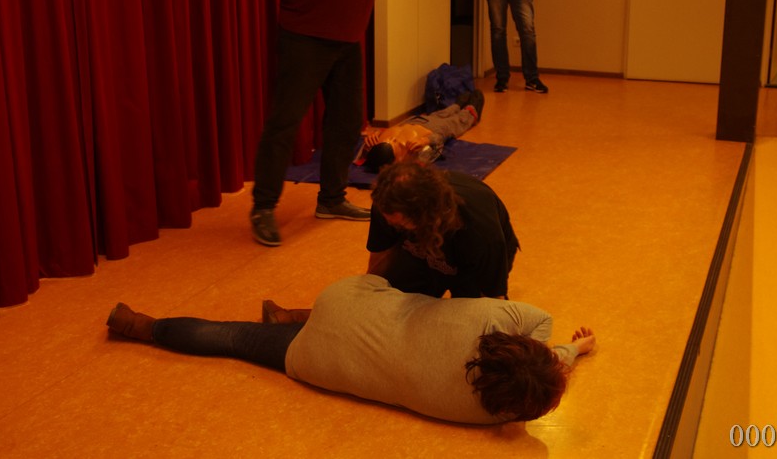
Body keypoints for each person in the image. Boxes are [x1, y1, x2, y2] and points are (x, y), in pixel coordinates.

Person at [105, 274, 597, 425]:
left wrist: (569, 349)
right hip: (320, 362)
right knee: (233, 338)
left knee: (393, 295)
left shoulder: (496, 317)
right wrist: (571, 355)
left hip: (344, 300)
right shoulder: (486, 417)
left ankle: (292, 314)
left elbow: (542, 326)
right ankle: (139, 327)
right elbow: (545, 369)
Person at [250, 0, 397, 247]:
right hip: (305, 37)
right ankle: (263, 206)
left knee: (346, 124)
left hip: (349, 39)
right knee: (285, 122)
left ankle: (332, 198)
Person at [366, 161, 520, 299]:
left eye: (400, 224)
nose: (390, 224)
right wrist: (368, 294)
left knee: (469, 316)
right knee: (392, 300)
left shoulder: (480, 231)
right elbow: (380, 255)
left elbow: (492, 299)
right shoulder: (388, 202)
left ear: (425, 215)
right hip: (420, 253)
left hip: (470, 265)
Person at [358, 89, 485, 172]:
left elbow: (361, 156)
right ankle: (470, 104)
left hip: (416, 121)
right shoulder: (409, 156)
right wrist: (426, 140)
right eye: (395, 144)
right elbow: (438, 141)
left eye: (390, 141)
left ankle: (458, 104)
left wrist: (367, 145)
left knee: (444, 113)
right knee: (460, 119)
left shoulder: (376, 146)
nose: (392, 140)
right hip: (433, 128)